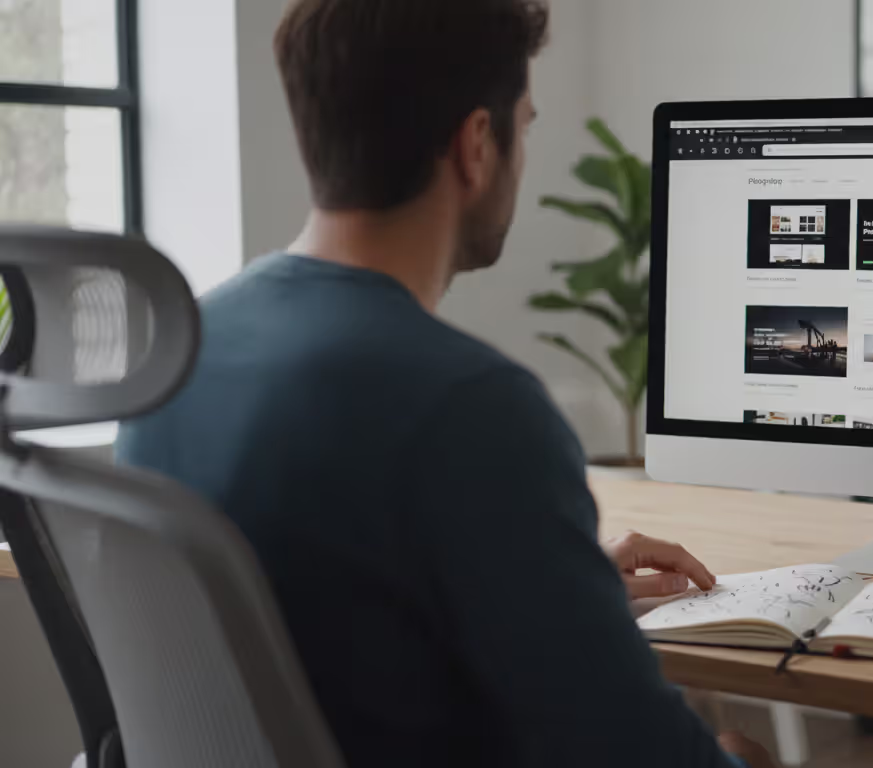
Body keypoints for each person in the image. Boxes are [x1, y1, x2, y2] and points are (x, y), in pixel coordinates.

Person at [115, 2, 773, 767]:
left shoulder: (171, 353)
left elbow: (332, 601)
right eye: (524, 125)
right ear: (476, 144)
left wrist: (561, 586)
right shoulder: (471, 407)